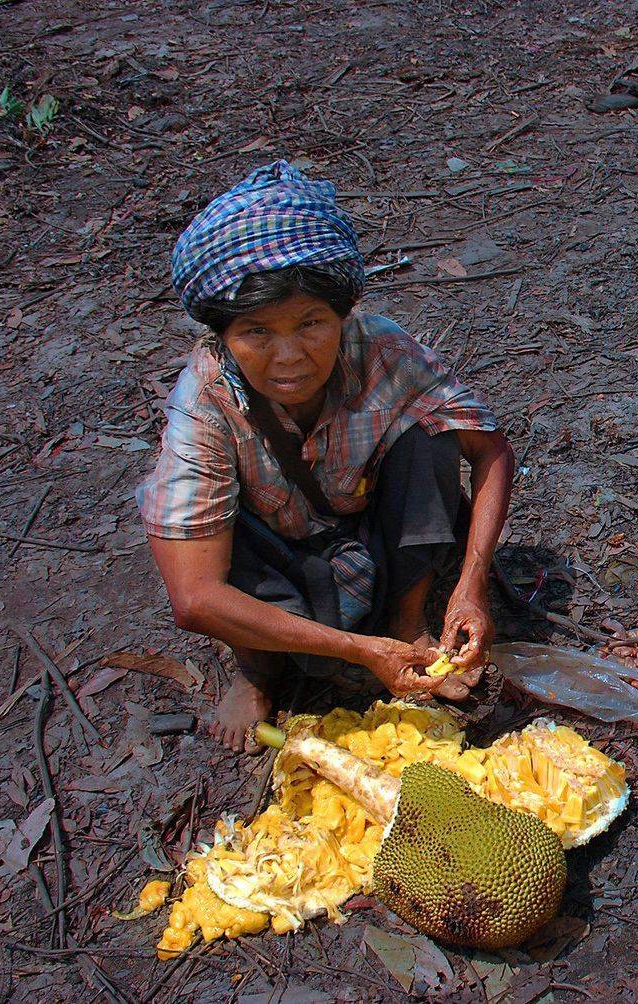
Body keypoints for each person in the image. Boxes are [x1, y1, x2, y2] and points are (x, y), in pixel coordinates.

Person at [137, 161, 513, 752]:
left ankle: (408, 622)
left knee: (431, 439)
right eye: (257, 333)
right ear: (223, 336)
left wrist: (471, 586)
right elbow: (194, 598)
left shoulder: (381, 349)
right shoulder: (204, 403)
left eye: (311, 323)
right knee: (217, 541)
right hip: (275, 549)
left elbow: (491, 449)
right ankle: (256, 672)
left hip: (360, 518)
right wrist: (358, 652)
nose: (289, 356)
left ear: (343, 313)